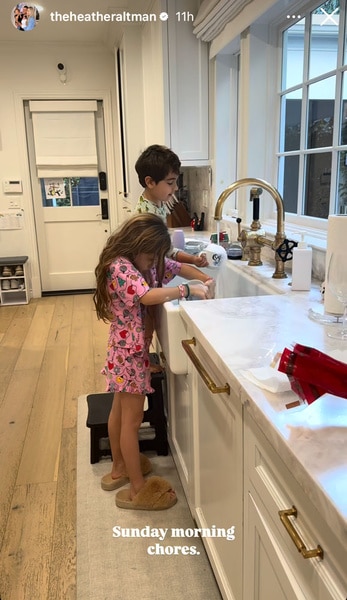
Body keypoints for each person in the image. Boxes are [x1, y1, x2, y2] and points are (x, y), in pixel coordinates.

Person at [93, 213, 214, 511]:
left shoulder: (137, 261)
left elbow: (176, 266)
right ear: (138, 246)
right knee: (131, 423)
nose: (153, 263)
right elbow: (147, 297)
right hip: (130, 355)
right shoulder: (120, 268)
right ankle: (137, 489)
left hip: (125, 352)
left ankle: (120, 468)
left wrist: (203, 278)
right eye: (150, 257)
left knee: (120, 412)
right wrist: (186, 290)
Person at [135, 144, 209, 269]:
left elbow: (167, 250)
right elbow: (155, 259)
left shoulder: (158, 205)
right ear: (150, 182)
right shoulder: (146, 218)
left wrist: (192, 259)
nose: (176, 187)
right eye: (170, 182)